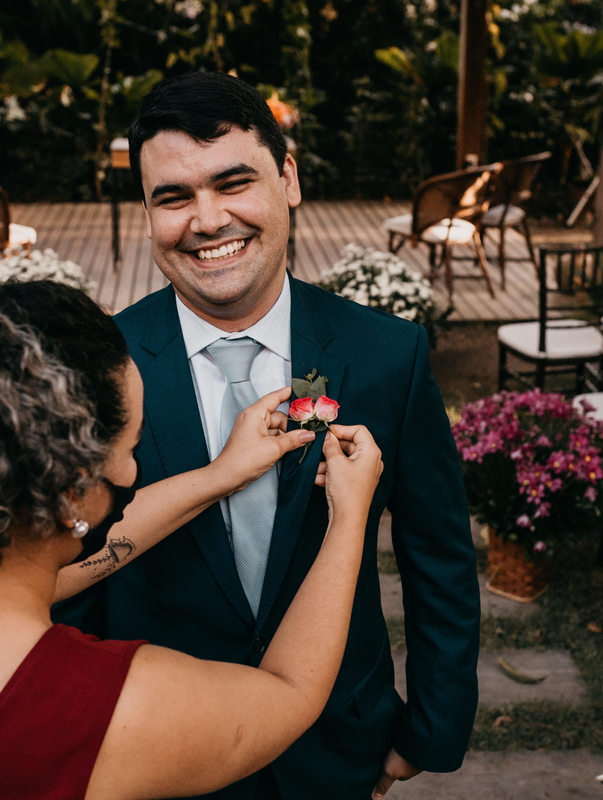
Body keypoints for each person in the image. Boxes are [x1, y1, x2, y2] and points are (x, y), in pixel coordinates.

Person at [53, 72, 481, 799]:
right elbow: (67, 574)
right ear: (148, 211)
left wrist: (429, 733)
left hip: (338, 741)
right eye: (173, 197)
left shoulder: (387, 355)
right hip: (157, 753)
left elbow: (438, 558)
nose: (207, 220)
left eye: (233, 183)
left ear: (288, 178)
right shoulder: (99, 366)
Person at [0, 280, 384, 799]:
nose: (133, 471)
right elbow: (289, 693)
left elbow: (35, 577)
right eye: (131, 448)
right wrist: (350, 518)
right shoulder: (99, 708)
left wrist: (219, 475)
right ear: (71, 486)